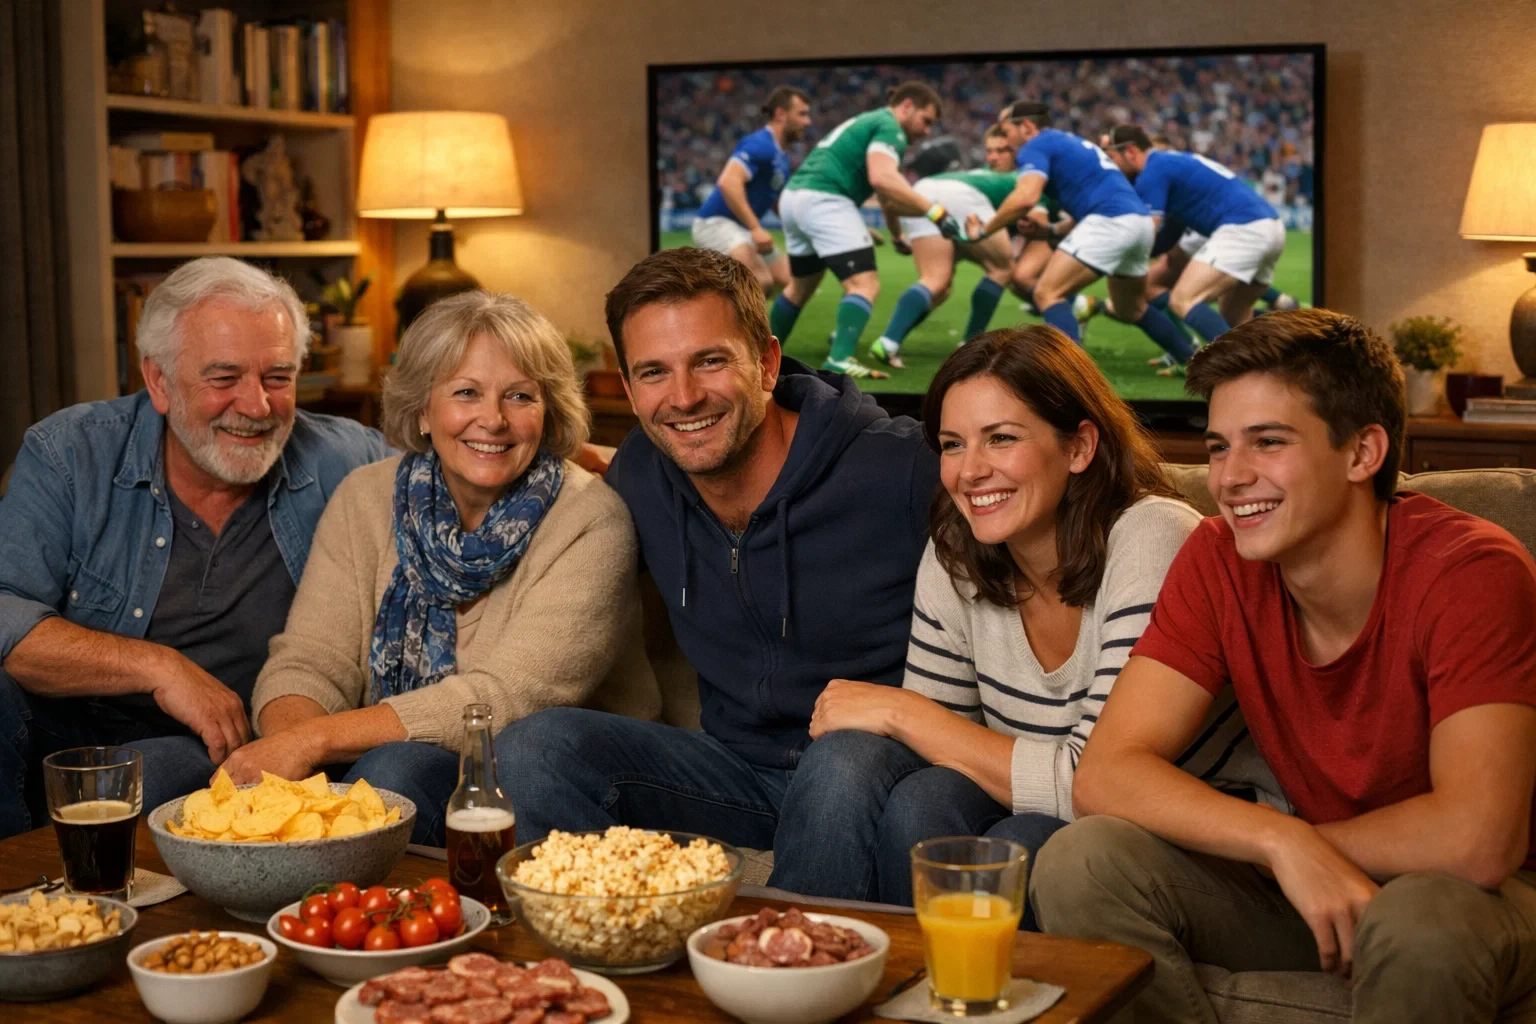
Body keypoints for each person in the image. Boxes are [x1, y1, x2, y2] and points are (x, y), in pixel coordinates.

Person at [1031, 309, 1536, 1023]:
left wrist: (1308, 851)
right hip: (1311, 886)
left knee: (1418, 917)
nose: (1232, 478)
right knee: (1081, 860)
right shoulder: (1216, 558)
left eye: (1268, 442)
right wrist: (1280, 841)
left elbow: (1479, 838)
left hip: (1484, 901)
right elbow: (1108, 773)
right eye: (1218, 447)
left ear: (1363, 453)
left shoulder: (1471, 570)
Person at [787, 326, 1282, 919]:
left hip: (1172, 843)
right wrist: (899, 729)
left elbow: (1097, 782)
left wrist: (899, 711)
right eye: (951, 444)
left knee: (1020, 846)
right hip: (1038, 810)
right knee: (887, 777)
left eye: (1001, 438)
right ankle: (801, 970)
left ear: (1078, 447)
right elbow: (936, 755)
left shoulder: (1153, 537)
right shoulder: (958, 549)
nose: (970, 471)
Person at [494, 247, 939, 896]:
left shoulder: (901, 470)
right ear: (627, 385)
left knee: (841, 758)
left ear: (766, 364)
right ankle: (603, 960)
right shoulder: (642, 473)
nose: (683, 397)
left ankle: (785, 979)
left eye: (709, 360)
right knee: (536, 748)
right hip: (732, 771)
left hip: (880, 764)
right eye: (654, 373)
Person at [234, 292, 659, 846]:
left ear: (548, 411)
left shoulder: (590, 519)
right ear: (421, 410)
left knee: (393, 775)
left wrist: (315, 743)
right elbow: (312, 658)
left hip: (550, 780)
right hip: (390, 765)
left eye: (519, 396)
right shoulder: (365, 498)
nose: (494, 419)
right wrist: (289, 753)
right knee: (385, 776)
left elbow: (506, 698)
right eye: (466, 392)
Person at [0, 257, 388, 839]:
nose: (256, 406)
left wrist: (569, 464)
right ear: (158, 381)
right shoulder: (69, 455)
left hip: (258, 751)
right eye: (224, 378)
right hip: (82, 737)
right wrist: (158, 667)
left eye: (277, 378)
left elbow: (466, 466)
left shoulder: (348, 459)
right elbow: (7, 615)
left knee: (171, 766)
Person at [965, 102, 1194, 369]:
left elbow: (1025, 198)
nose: (1006, 140)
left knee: (1048, 293)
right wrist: (1049, 231)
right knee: (1131, 309)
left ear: (1026, 126)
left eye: (1007, 131)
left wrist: (983, 230)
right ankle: (1192, 362)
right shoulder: (1067, 142)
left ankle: (1071, 376)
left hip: (1110, 222)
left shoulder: (1035, 145)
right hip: (1139, 224)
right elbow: (1086, 207)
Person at [768, 81, 962, 378]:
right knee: (864, 284)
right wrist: (934, 211)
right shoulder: (890, 127)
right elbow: (883, 178)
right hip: (826, 199)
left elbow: (887, 194)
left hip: (795, 198)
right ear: (906, 107)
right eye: (926, 121)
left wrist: (896, 234)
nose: (927, 131)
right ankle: (840, 358)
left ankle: (757, 355)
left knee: (799, 288)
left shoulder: (870, 121)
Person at [1104, 124, 1288, 349]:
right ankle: (1290, 351)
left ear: (1131, 150)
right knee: (1235, 320)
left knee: (1182, 300)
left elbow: (1147, 229)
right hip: (1272, 227)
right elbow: (1170, 234)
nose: (1110, 165)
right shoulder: (1172, 162)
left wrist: (1110, 255)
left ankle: (1235, 366)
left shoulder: (1153, 169)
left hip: (1243, 228)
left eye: (1112, 156)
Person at [868, 127, 1021, 369]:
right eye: (991, 151)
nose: (994, 157)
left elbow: (890, 204)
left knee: (937, 282)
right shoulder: (1022, 179)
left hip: (923, 192)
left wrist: (897, 236)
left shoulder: (970, 174)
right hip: (962, 198)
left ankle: (888, 342)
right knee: (1002, 268)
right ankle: (970, 345)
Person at [691, 86, 812, 296]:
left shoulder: (781, 155)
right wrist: (756, 228)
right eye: (802, 114)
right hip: (716, 223)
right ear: (781, 114)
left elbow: (777, 203)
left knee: (789, 282)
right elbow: (728, 182)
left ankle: (761, 327)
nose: (807, 122)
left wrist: (813, 227)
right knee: (759, 281)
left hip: (741, 228)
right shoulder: (761, 144)